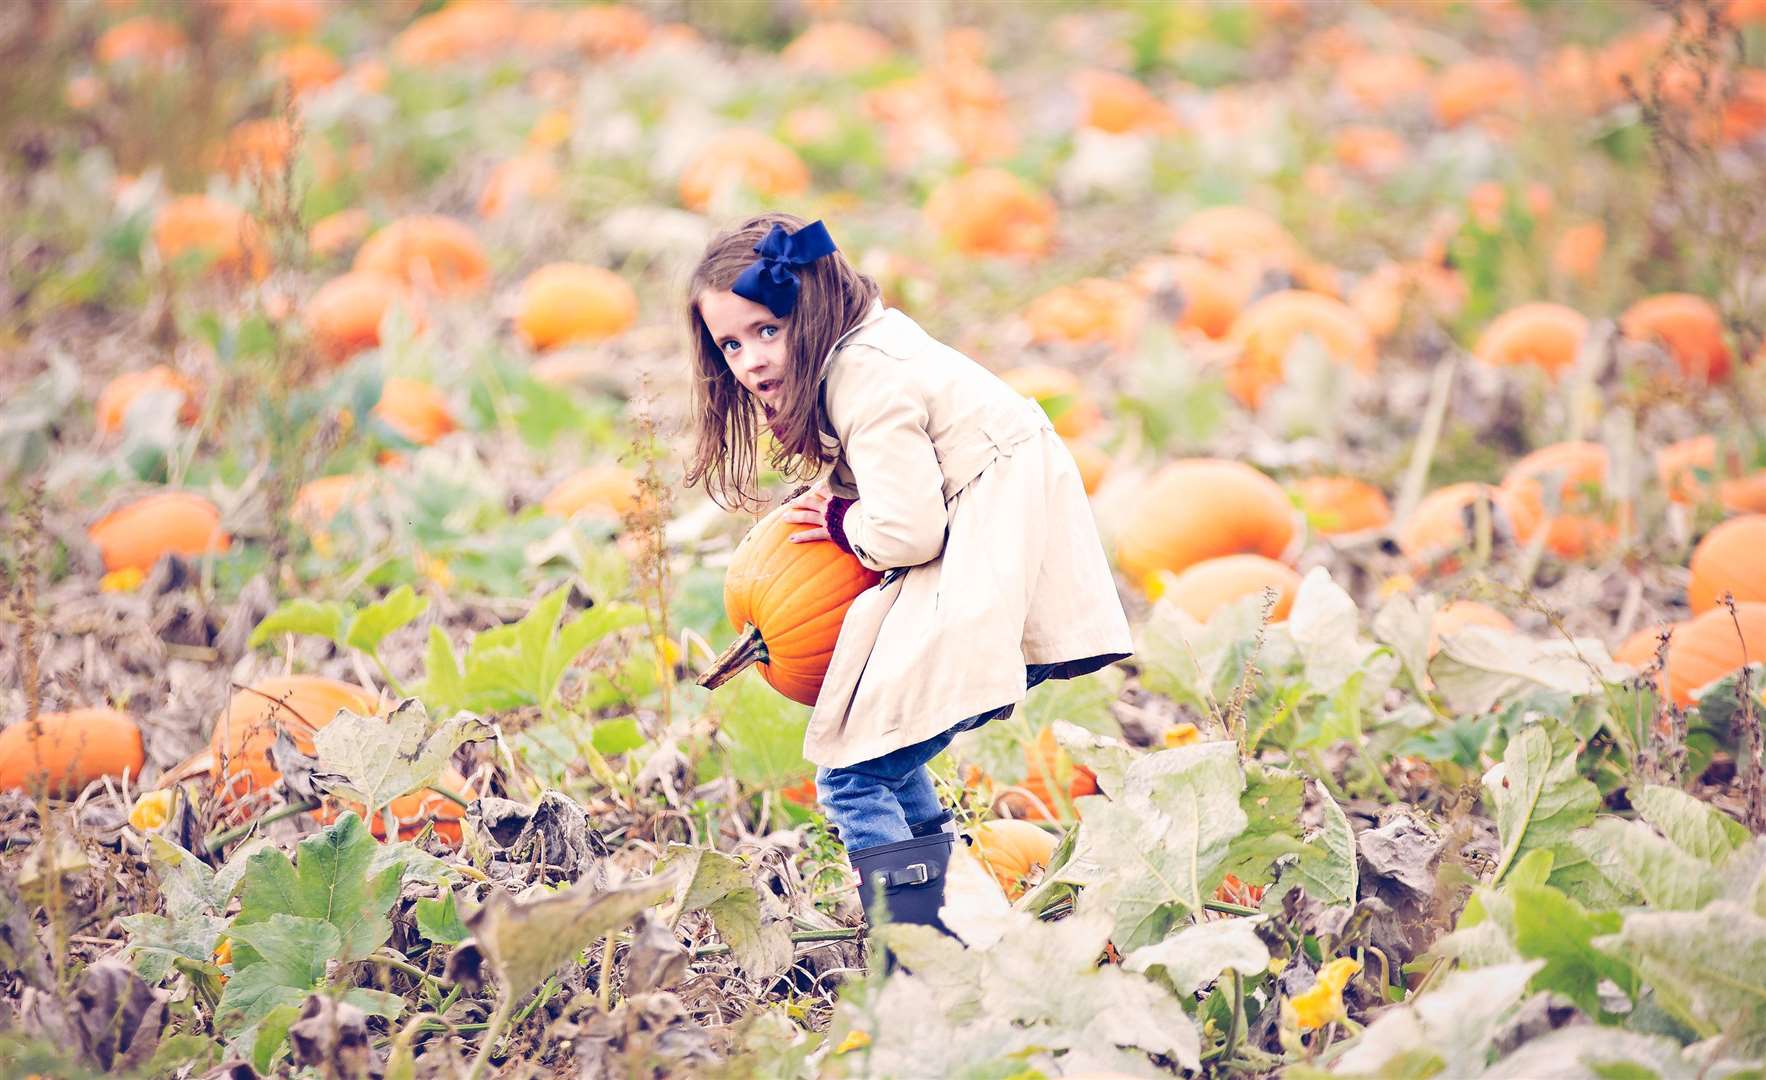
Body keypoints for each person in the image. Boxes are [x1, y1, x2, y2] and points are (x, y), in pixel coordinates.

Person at [685, 212, 1133, 941]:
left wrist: (839, 523)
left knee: (854, 774)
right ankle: (957, 934)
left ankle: (917, 945)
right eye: (731, 343)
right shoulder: (873, 349)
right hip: (997, 552)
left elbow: (908, 530)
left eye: (769, 330)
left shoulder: (866, 381)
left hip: (990, 566)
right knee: (881, 756)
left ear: (816, 306)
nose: (752, 360)